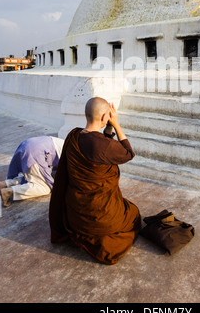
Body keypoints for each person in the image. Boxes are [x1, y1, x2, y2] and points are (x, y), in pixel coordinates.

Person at [49, 97, 141, 265]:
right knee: (133, 213)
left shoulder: (73, 136)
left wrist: (108, 126)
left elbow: (101, 147)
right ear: (106, 116)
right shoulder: (104, 146)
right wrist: (117, 124)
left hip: (75, 216)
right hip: (100, 217)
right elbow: (128, 153)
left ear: (87, 114)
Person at [0, 136, 64, 207]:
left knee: (33, 175)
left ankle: (5, 183)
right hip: (35, 153)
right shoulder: (72, 154)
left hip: (27, 145)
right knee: (44, 187)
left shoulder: (65, 143)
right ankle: (9, 191)